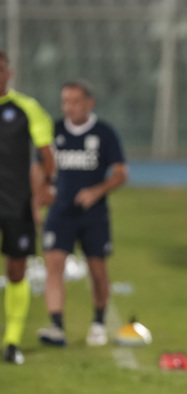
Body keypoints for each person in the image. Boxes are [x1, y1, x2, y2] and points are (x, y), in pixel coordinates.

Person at [36, 80, 127, 347]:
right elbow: (39, 168)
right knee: (53, 266)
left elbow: (120, 174)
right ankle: (56, 326)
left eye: (75, 101)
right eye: (65, 101)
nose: (69, 107)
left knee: (97, 270)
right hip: (59, 212)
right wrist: (40, 194)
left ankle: (98, 322)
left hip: (93, 215)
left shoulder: (104, 133)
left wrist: (95, 192)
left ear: (89, 102)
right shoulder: (53, 130)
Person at [0, 50, 55, 365]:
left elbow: (46, 153)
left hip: (16, 204)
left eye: (1, 69)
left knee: (16, 270)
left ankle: (11, 340)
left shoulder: (27, 108)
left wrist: (47, 185)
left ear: (10, 73)